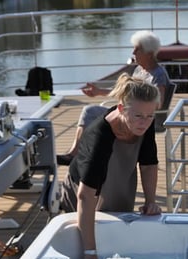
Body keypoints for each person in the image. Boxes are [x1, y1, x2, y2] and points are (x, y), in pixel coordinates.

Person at [60, 73, 162, 259]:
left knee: (118, 233)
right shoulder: (100, 137)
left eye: (150, 116)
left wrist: (150, 202)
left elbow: (148, 164)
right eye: (138, 116)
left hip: (120, 179)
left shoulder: (144, 120)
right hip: (81, 189)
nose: (144, 122)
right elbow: (85, 195)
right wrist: (89, 252)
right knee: (80, 247)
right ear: (122, 109)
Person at [57, 30, 170, 166]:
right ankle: (78, 153)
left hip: (142, 119)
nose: (133, 53)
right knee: (91, 111)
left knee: (91, 112)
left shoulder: (158, 74)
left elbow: (159, 103)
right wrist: (99, 92)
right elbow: (124, 93)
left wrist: (137, 107)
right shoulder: (139, 70)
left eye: (137, 49)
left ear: (149, 54)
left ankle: (76, 155)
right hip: (129, 114)